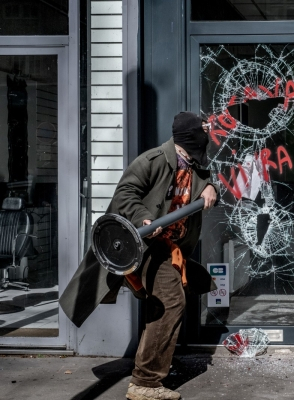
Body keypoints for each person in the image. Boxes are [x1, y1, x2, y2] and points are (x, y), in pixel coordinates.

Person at [59, 112, 218, 400]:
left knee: (162, 304)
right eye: (203, 132)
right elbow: (125, 193)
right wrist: (144, 217)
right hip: (145, 244)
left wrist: (210, 187)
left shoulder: (194, 165)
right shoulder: (153, 160)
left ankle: (155, 362)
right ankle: (145, 382)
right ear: (189, 137)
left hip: (171, 246)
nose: (206, 138)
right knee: (171, 301)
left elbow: (201, 181)